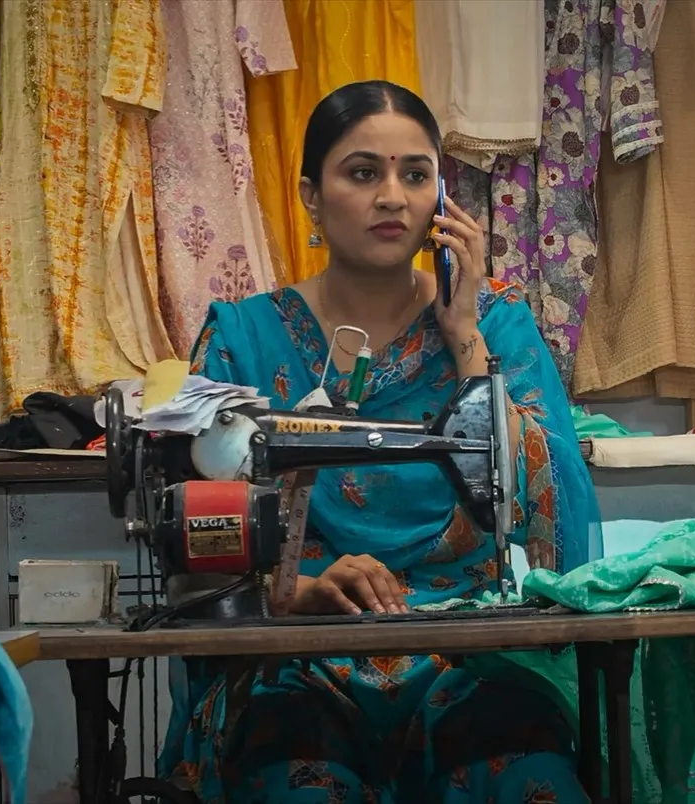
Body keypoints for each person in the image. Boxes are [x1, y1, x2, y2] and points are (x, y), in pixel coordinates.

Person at [162, 80, 602, 803]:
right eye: (363, 172)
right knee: (299, 784)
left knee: (533, 781)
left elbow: (543, 508)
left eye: (416, 175)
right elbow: (204, 543)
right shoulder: (243, 337)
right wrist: (300, 592)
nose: (393, 197)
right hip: (298, 654)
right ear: (311, 196)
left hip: (466, 652)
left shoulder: (495, 323)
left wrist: (463, 336)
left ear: (441, 199)